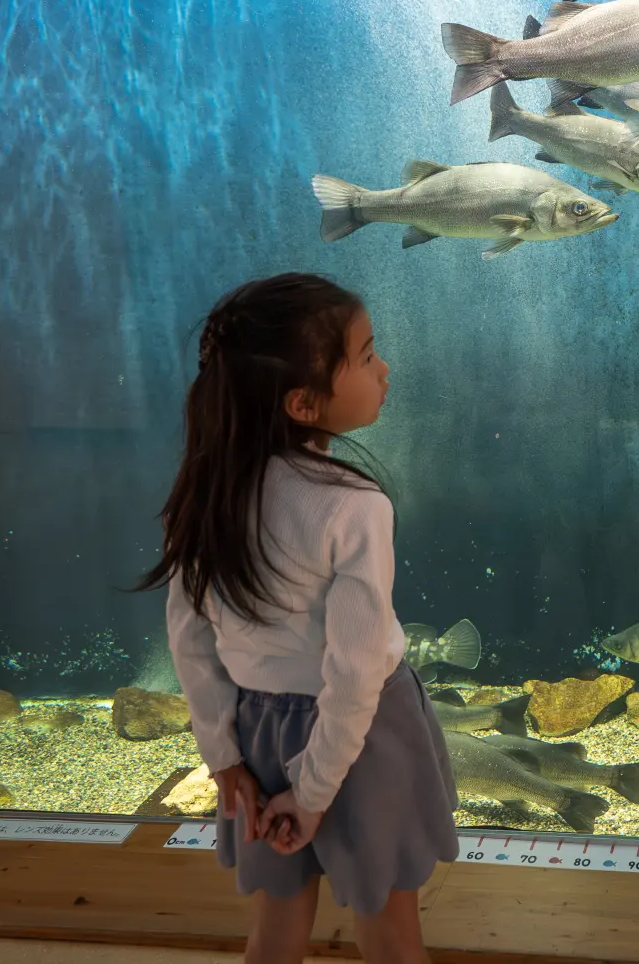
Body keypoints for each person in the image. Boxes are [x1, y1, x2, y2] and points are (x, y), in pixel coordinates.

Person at [141, 273, 457, 964]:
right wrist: (312, 794)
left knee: (277, 928)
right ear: (305, 402)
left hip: (256, 731)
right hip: (364, 737)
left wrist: (224, 758)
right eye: (368, 355)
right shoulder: (353, 506)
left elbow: (190, 644)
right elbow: (354, 673)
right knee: (389, 927)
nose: (384, 369)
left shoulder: (204, 493)